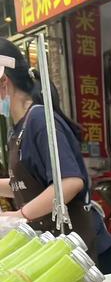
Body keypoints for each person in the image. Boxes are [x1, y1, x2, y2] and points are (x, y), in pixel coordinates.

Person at [0, 39, 97, 258]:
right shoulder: (17, 128)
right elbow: (25, 184)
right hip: (46, 246)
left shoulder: (40, 120)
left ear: (4, 81)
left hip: (71, 251)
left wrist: (19, 215)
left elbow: (69, 182)